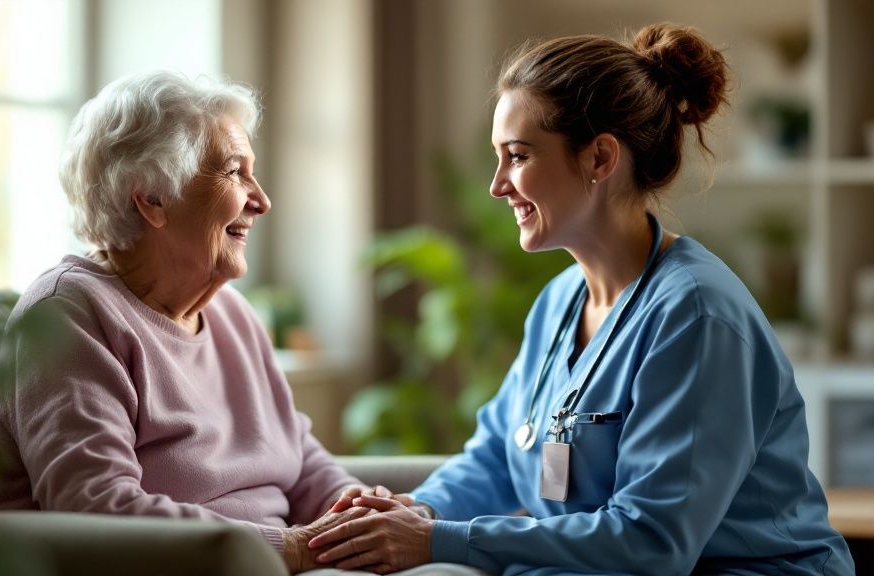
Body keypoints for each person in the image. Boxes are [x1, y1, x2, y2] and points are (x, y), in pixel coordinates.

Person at [310, 23, 855, 575]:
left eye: (518, 156)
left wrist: (438, 542)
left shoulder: (696, 315)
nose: (497, 185)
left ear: (599, 159)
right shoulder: (558, 301)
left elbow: (651, 541)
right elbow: (500, 453)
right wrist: (417, 510)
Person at [0, 71, 377, 573]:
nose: (261, 199)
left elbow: (298, 455)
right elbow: (98, 508)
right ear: (152, 197)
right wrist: (292, 547)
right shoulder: (70, 315)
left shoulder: (233, 313)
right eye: (235, 172)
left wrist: (357, 506)